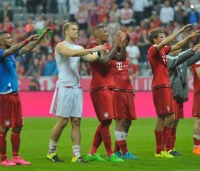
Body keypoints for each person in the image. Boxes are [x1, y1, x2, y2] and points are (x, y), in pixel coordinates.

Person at [46, 22, 106, 163]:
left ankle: (76, 155)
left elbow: (91, 58)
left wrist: (99, 51)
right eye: (73, 29)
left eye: (77, 29)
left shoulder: (80, 47)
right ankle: (51, 152)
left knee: (76, 121)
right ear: (66, 32)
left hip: (76, 88)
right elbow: (71, 53)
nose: (76, 31)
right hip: (64, 87)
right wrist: (93, 48)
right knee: (62, 122)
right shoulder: (61, 46)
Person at [0, 27, 52, 166]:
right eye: (8, 38)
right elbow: (10, 50)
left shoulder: (12, 54)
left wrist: (42, 36)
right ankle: (3, 159)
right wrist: (25, 39)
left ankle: (16, 157)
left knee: (18, 126)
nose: (11, 39)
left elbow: (27, 48)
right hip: (5, 96)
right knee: (4, 127)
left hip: (15, 95)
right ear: (1, 41)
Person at [148, 24, 200, 158]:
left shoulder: (162, 51)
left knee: (163, 118)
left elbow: (177, 46)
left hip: (165, 85)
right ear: (155, 39)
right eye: (161, 37)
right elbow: (167, 43)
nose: (163, 38)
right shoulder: (153, 49)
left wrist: (189, 36)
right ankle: (161, 150)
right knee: (169, 117)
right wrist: (179, 31)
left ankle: (160, 151)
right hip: (160, 86)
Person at [166, 40, 200, 156]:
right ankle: (166, 148)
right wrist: (193, 49)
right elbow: (184, 57)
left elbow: (193, 58)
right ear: (170, 48)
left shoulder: (181, 61)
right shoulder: (168, 60)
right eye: (178, 47)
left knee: (175, 122)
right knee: (170, 122)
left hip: (179, 96)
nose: (180, 49)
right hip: (170, 94)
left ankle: (171, 148)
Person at [86, 25, 126, 162]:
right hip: (99, 88)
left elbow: (121, 58)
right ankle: (110, 154)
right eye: (104, 32)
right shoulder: (92, 47)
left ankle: (91, 153)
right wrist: (115, 44)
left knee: (106, 120)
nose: (107, 34)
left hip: (109, 87)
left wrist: (122, 44)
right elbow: (104, 60)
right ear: (96, 36)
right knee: (106, 121)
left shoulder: (108, 47)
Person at [111, 35, 138, 160]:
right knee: (120, 120)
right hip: (116, 90)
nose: (124, 44)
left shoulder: (125, 54)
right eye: (122, 41)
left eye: (126, 42)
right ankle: (125, 151)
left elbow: (128, 71)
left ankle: (117, 151)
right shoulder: (109, 52)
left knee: (128, 121)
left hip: (127, 89)